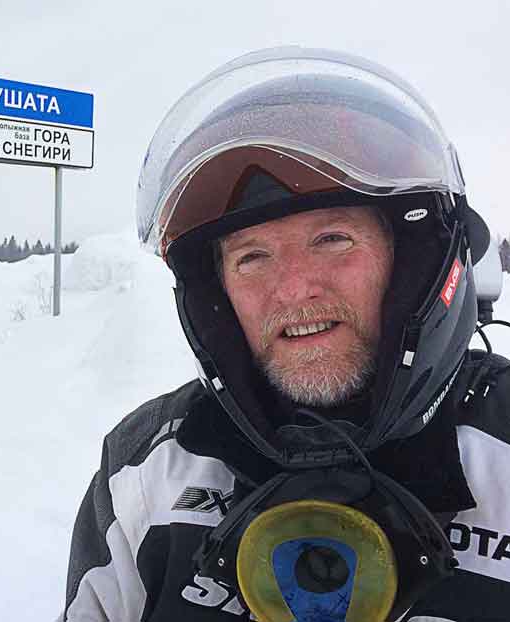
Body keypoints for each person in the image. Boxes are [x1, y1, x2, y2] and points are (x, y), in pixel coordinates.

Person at [62, 48, 509, 622]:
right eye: (253, 257)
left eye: (332, 239)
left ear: (411, 265)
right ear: (216, 297)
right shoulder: (146, 476)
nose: (294, 290)